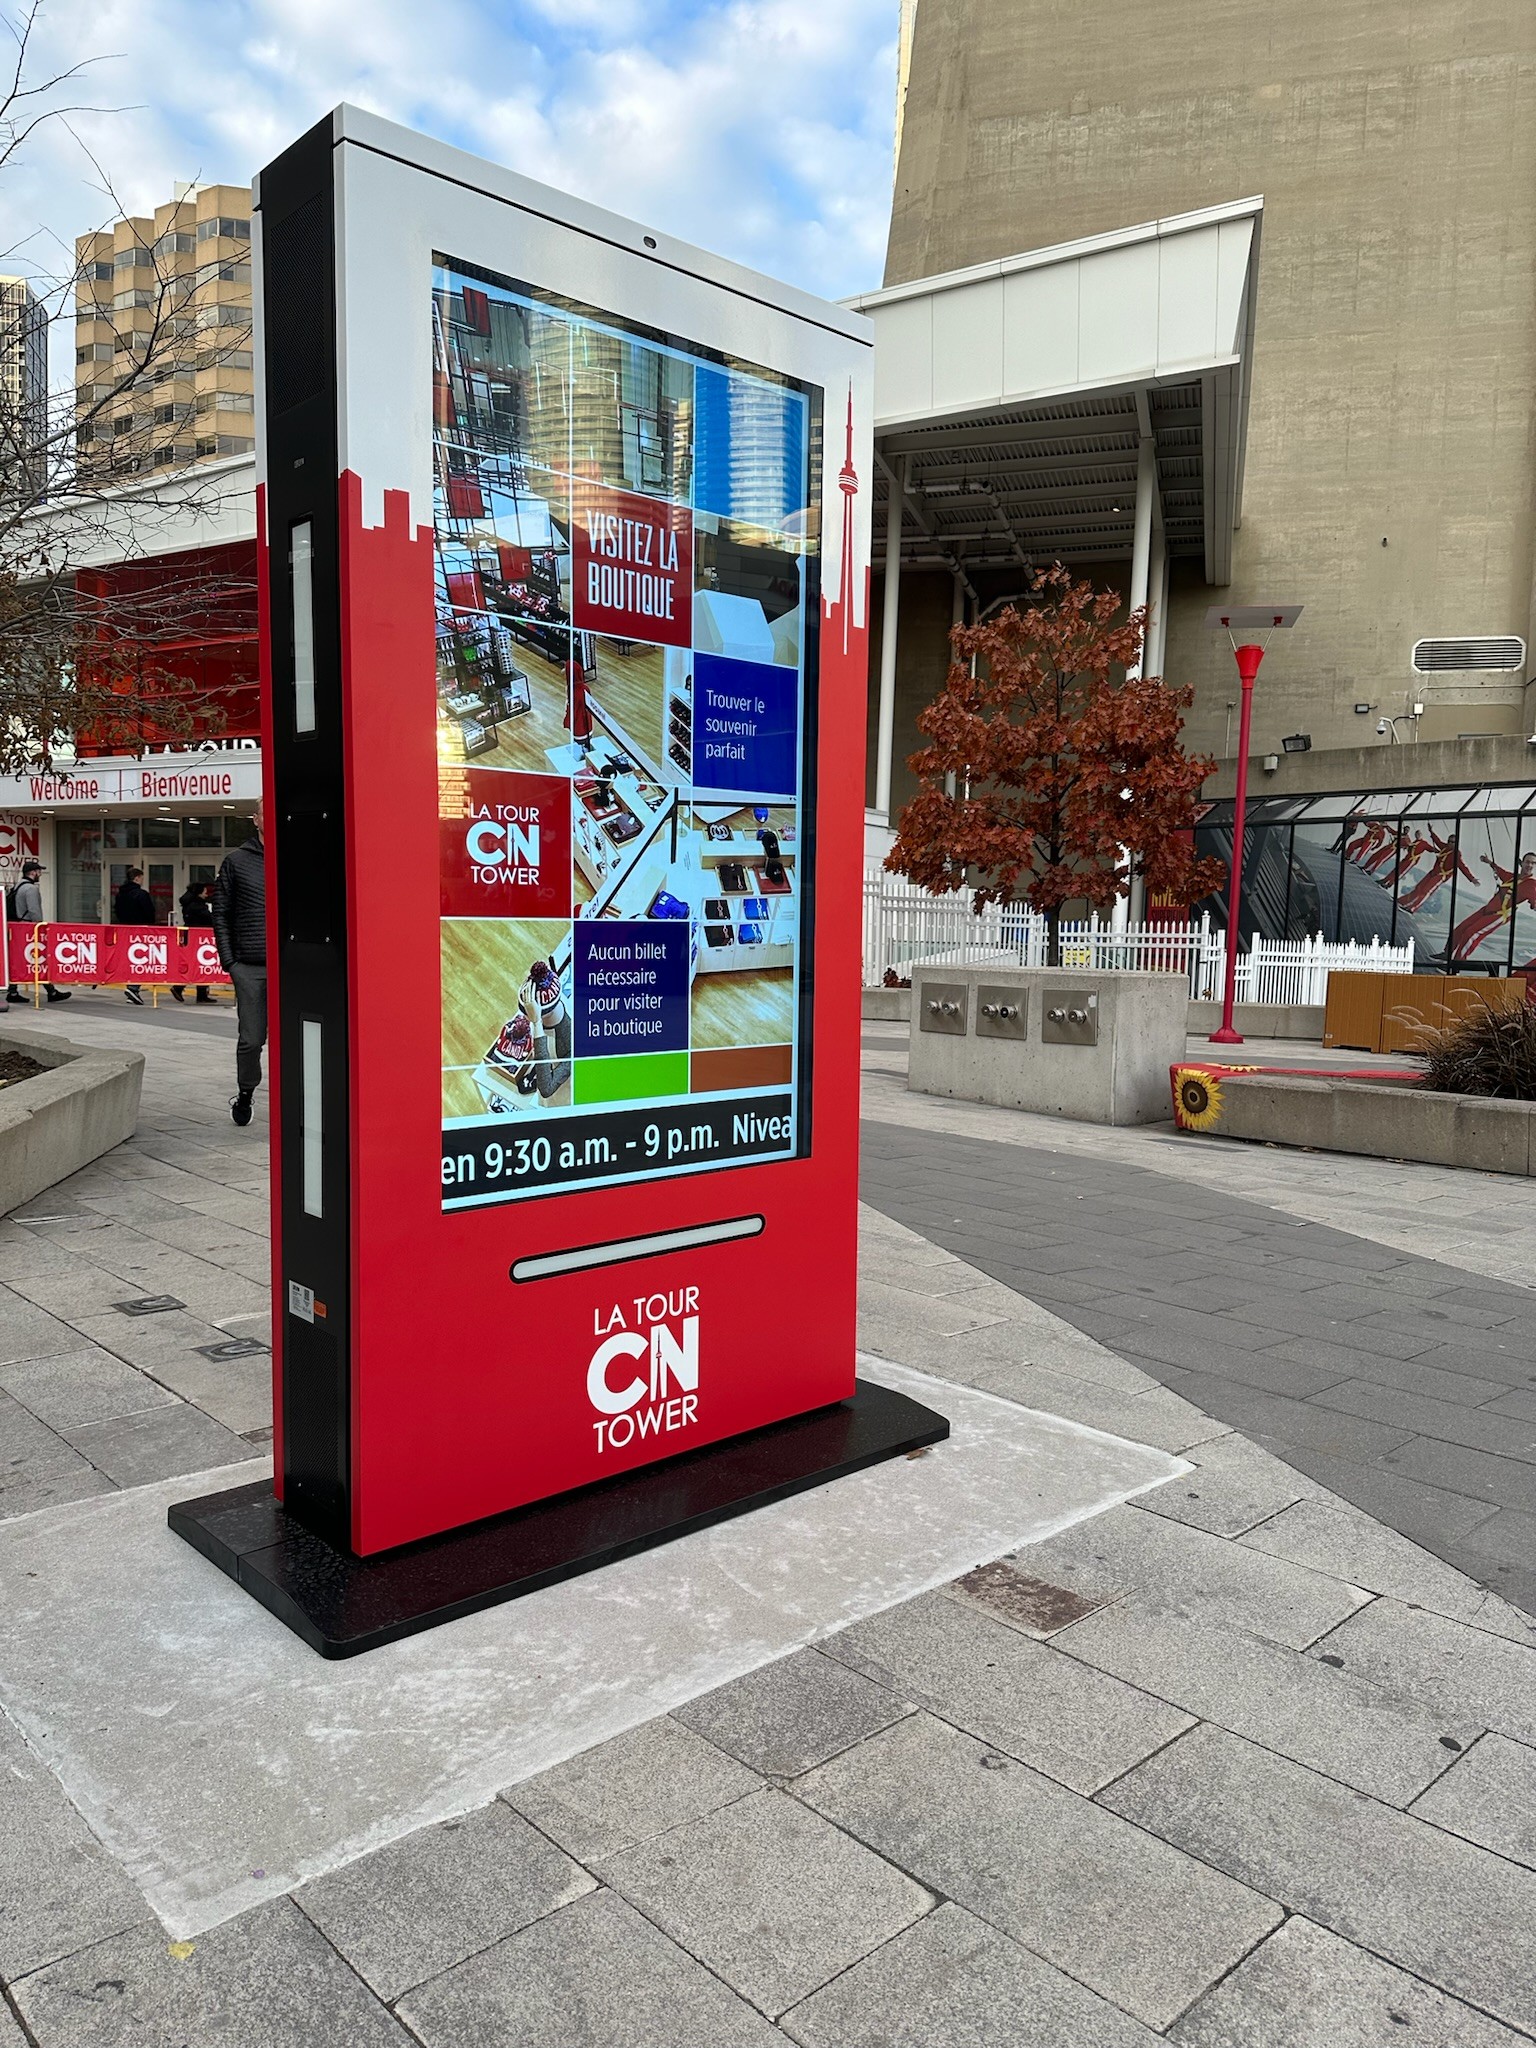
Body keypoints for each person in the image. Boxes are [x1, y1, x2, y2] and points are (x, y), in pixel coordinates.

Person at [212, 802, 266, 1126]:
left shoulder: (300, 857)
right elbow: (220, 914)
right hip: (248, 966)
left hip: (294, 967)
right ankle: (245, 1093)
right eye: (265, 811)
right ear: (256, 819)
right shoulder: (236, 862)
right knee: (252, 1039)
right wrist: (230, 962)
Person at [5, 859, 70, 1005]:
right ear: (33, 872)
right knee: (38, 960)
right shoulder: (31, 889)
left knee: (21, 960)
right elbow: (34, 911)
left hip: (16, 927)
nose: (40, 873)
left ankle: (16, 990)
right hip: (28, 928)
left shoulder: (18, 886)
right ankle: (49, 991)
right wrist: (40, 927)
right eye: (39, 871)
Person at [113, 864, 157, 1005]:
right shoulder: (141, 894)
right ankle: (133, 987)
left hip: (125, 930)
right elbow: (149, 912)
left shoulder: (120, 894)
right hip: (140, 930)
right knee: (139, 958)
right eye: (142, 878)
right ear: (137, 878)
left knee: (129, 958)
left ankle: (131, 986)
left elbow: (117, 911)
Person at [169, 879, 215, 1005]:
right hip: (198, 939)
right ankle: (179, 987)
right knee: (197, 964)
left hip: (192, 937)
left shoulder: (190, 904)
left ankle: (201, 993)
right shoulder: (198, 906)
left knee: (199, 965)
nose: (207, 894)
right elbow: (209, 919)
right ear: (199, 893)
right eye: (205, 891)